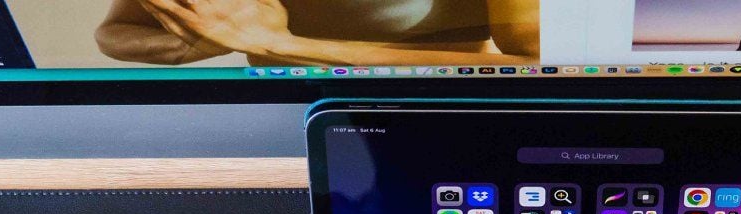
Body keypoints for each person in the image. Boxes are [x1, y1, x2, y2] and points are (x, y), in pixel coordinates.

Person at [95, 0, 539, 68]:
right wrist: (199, 39)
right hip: (285, 111)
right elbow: (114, 33)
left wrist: (283, 44)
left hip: (438, 114)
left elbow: (534, 68)